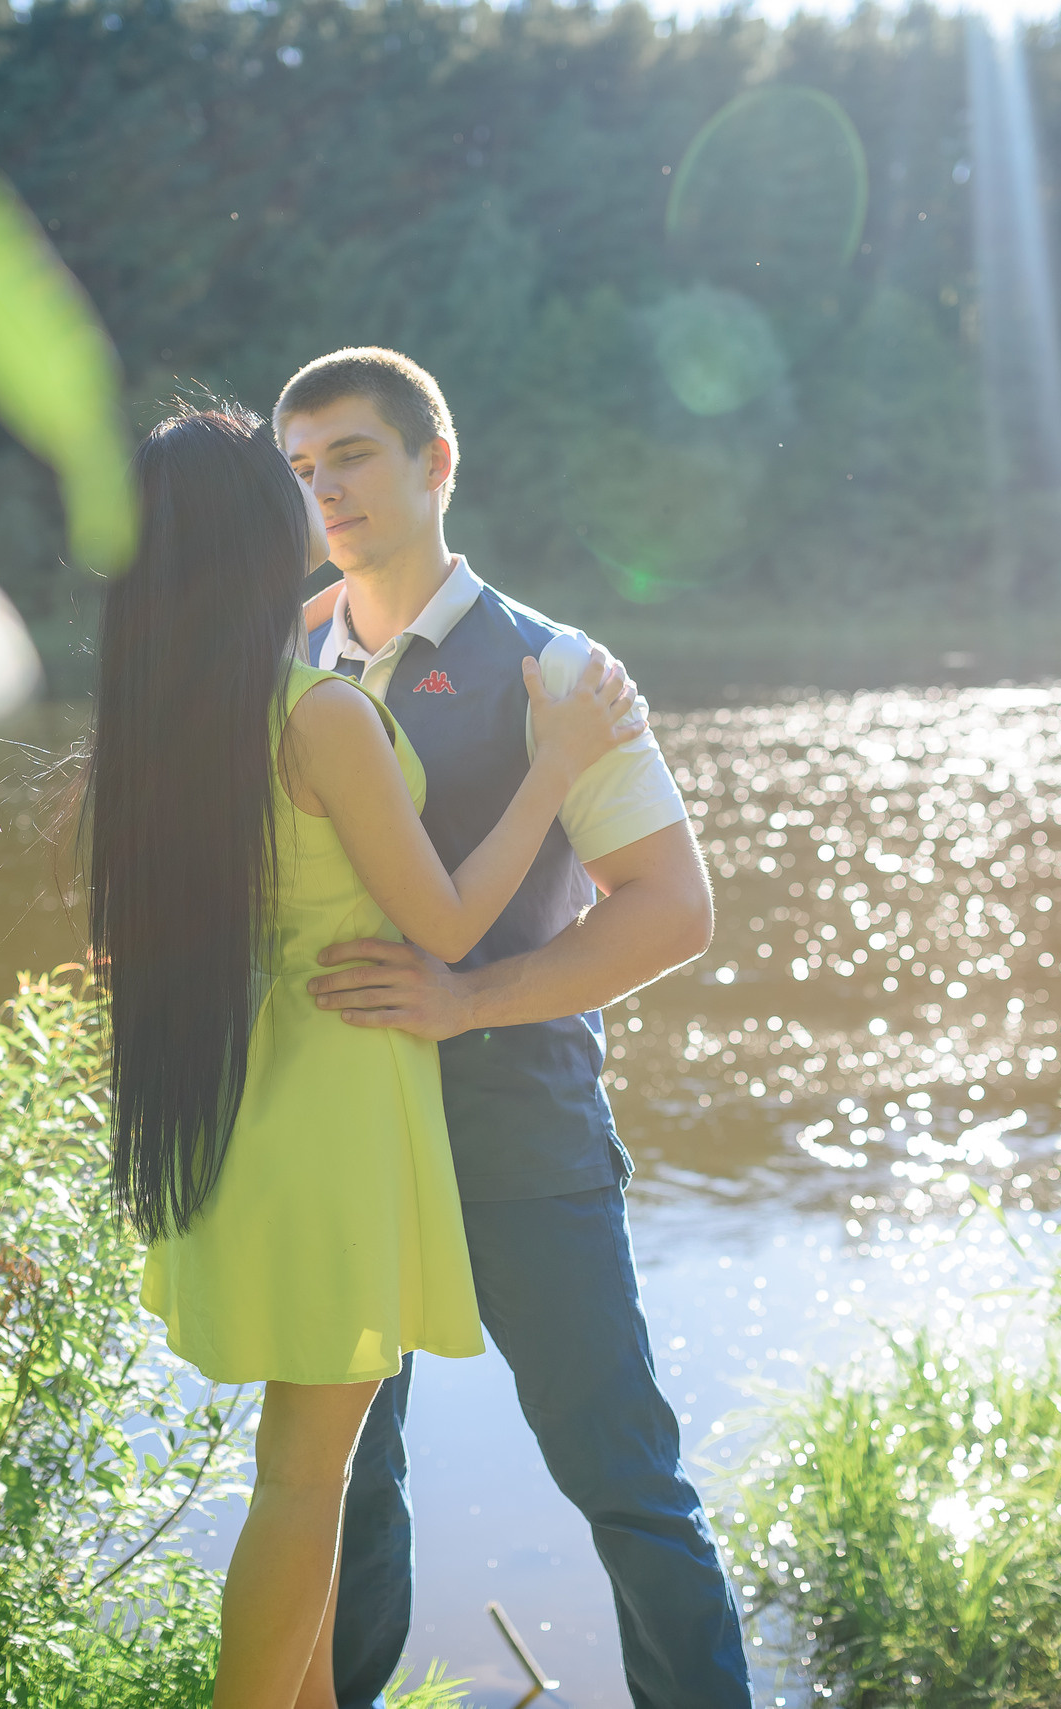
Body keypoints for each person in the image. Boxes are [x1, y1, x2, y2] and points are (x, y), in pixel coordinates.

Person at [85, 406, 643, 1709]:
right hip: (338, 1102)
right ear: (252, 539)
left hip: (249, 1100)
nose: (313, 500)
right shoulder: (316, 713)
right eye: (289, 485)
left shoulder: (168, 718)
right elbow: (445, 923)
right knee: (305, 1476)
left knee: (308, 1470)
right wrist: (556, 762)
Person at [277, 349, 753, 1707]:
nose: (327, 491)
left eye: (353, 455)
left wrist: (470, 997)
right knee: (345, 1486)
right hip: (337, 1143)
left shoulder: (558, 670)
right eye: (303, 470)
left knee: (626, 1483)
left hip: (520, 1134)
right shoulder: (288, 657)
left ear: (437, 463)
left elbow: (673, 909)